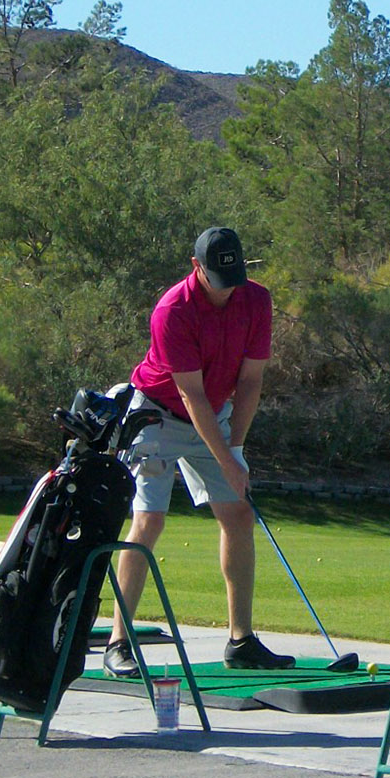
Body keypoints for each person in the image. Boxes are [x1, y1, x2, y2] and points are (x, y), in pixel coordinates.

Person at [102, 226, 293, 677]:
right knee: (149, 521)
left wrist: (238, 449)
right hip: (158, 413)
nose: (228, 291)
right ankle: (117, 643)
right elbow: (190, 397)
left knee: (238, 515)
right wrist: (226, 461)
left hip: (217, 412)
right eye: (218, 280)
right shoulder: (173, 310)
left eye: (235, 278)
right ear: (196, 268)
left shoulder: (256, 300)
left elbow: (250, 381)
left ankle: (240, 640)